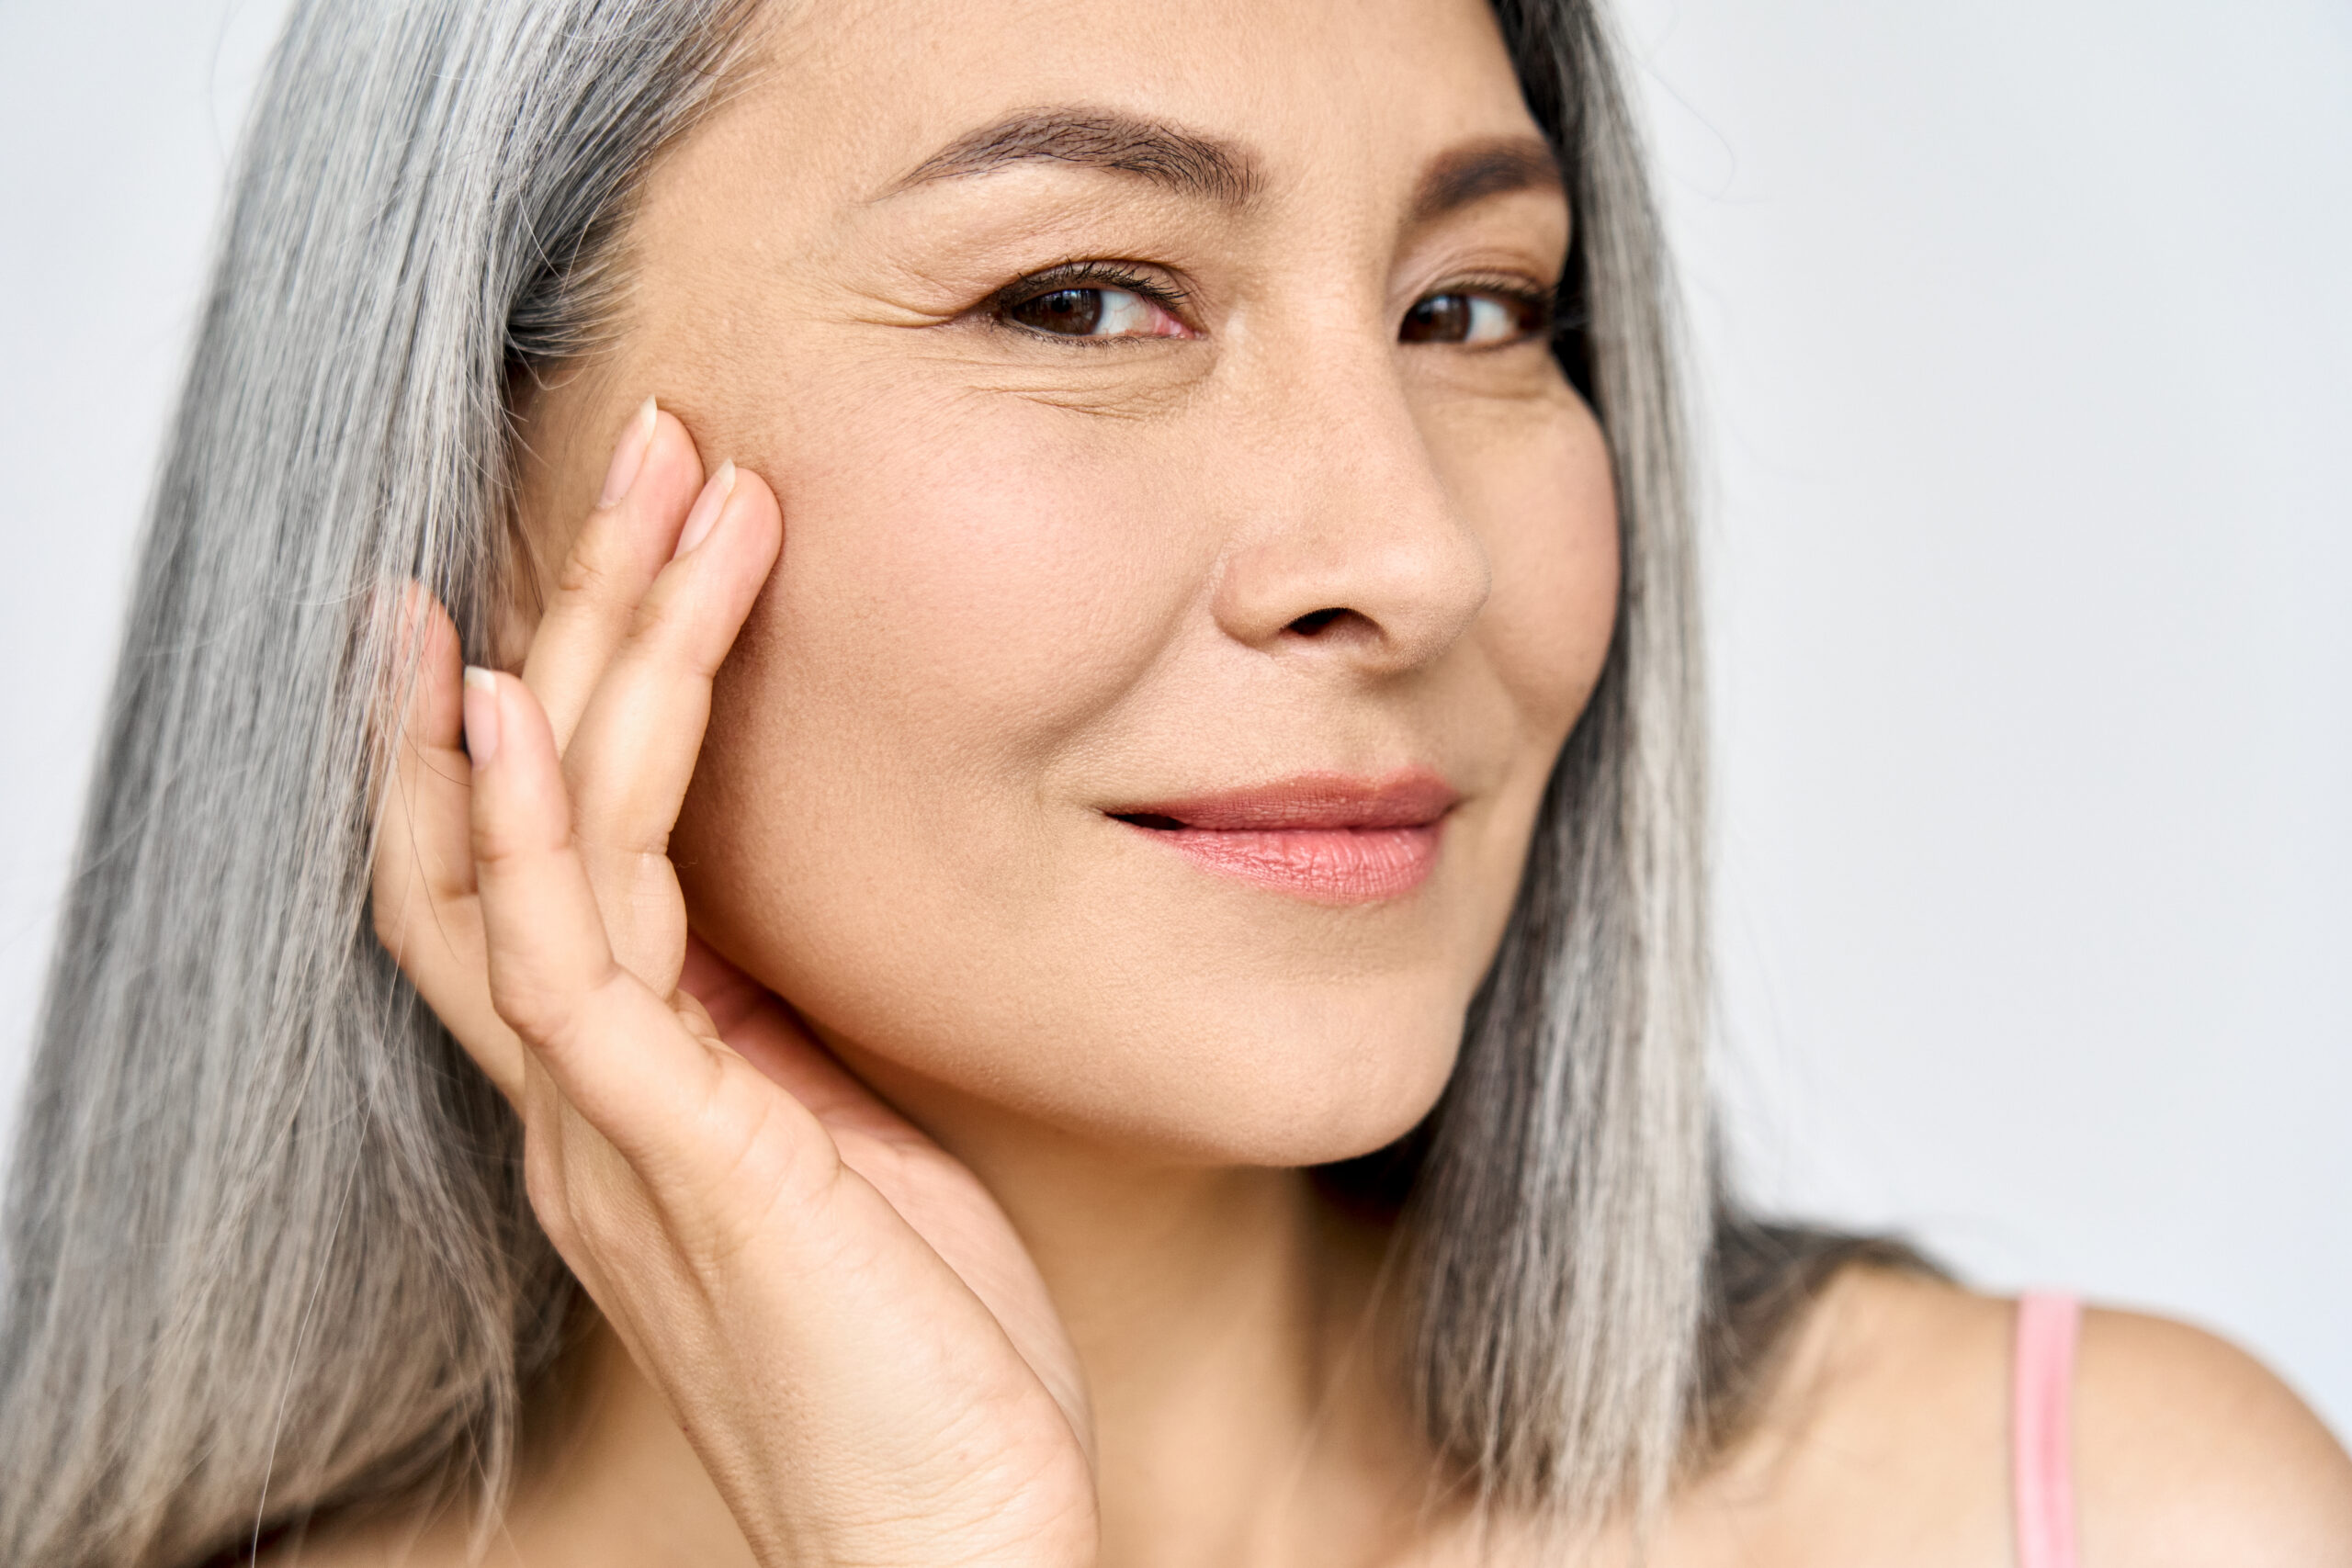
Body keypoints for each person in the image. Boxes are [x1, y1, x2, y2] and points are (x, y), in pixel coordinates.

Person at [1, 0, 2346, 1563]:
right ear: (478, 492)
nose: (1403, 553)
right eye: (1086, 297)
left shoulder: (2111, 1516)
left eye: (1474, 308)